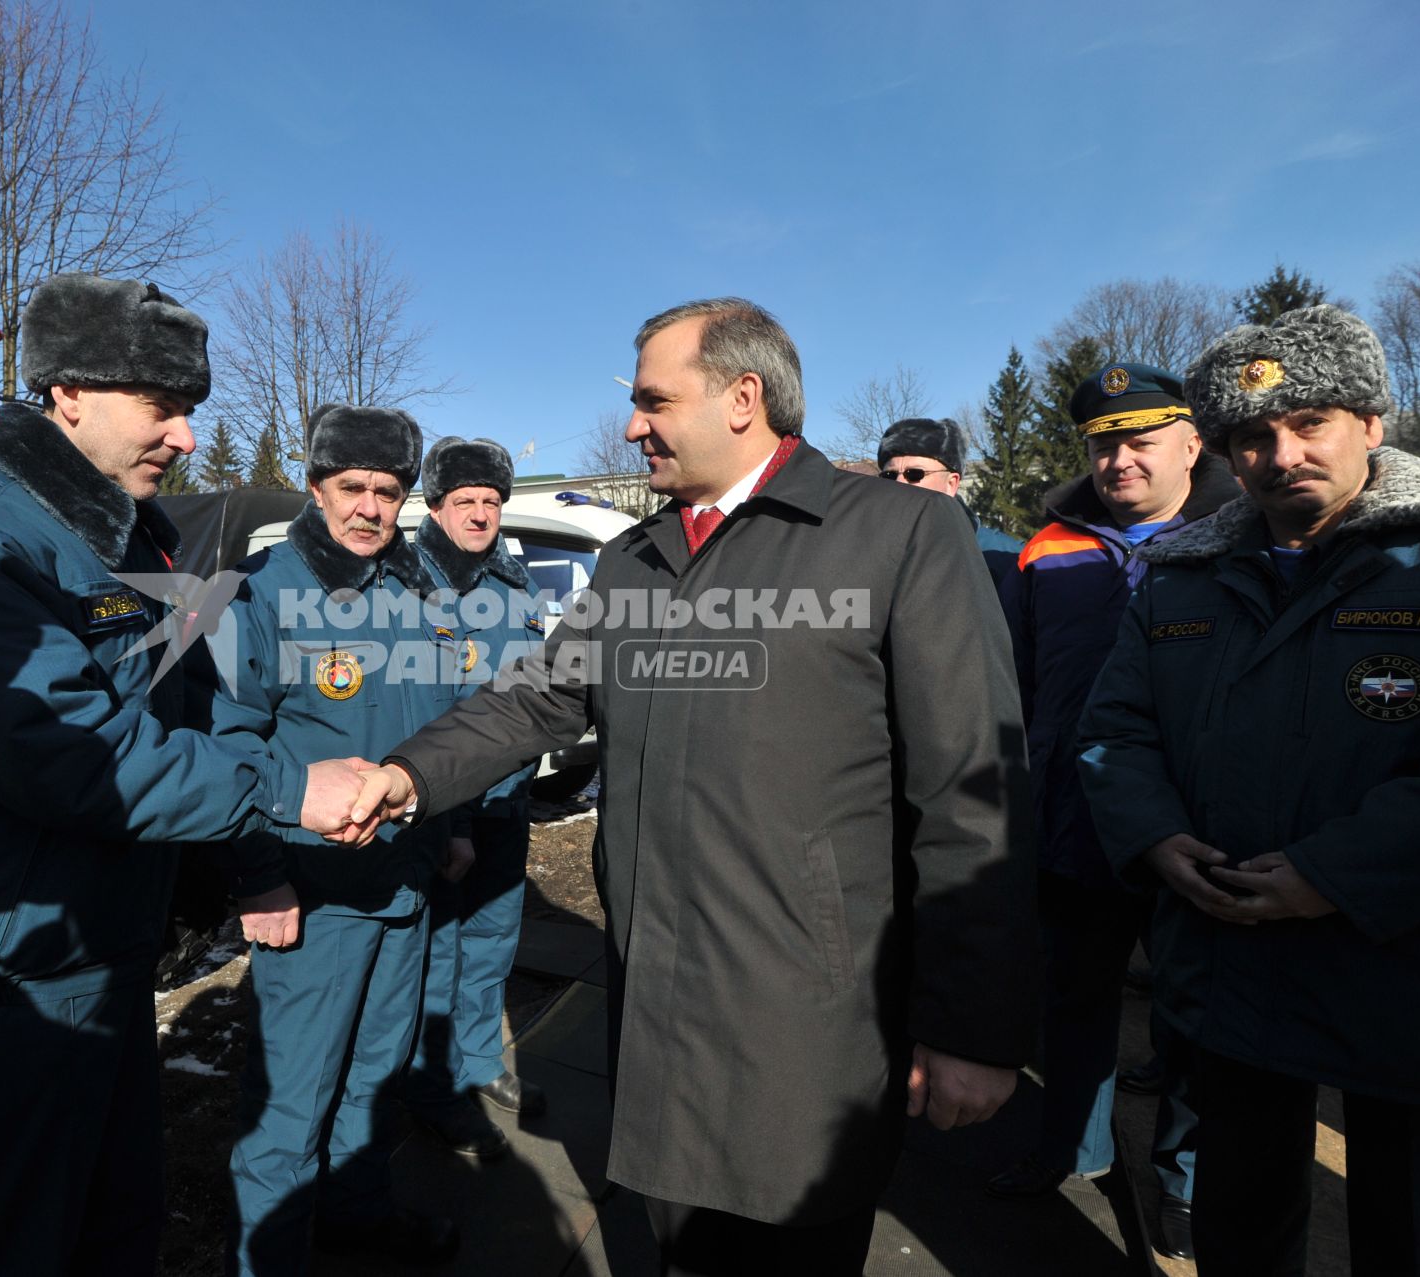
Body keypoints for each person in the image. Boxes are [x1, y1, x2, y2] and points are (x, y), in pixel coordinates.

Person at [353, 298, 1037, 1276]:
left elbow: (973, 785)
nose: (632, 425)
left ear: (743, 397)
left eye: (652, 400)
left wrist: (974, 1023)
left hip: (807, 1024)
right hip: (658, 1008)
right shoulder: (637, 556)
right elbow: (539, 700)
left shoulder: (899, 534)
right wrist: (403, 773)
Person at [0, 274, 376, 1276]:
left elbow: (189, 710)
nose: (184, 436)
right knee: (15, 1240)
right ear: (69, 390)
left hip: (108, 947)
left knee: (112, 1226)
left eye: (190, 410)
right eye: (162, 406)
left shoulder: (134, 537)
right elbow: (68, 751)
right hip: (14, 967)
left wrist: (246, 858)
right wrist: (290, 789)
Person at [1079, 305, 1420, 1276]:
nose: (1281, 454)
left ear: (1371, 422)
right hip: (1230, 958)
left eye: (1309, 422)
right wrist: (1155, 837)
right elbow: (1116, 732)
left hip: (1409, 963)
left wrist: (1331, 873)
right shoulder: (1181, 576)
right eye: (1251, 436)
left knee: (1412, 1237)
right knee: (1241, 1227)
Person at [200, 404, 461, 1274]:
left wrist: (445, 832)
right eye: (352, 487)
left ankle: (356, 1227)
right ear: (317, 487)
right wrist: (257, 878)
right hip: (312, 895)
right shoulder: (261, 593)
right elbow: (229, 746)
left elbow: (443, 721)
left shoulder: (419, 585)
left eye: (389, 491)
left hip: (405, 886)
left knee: (375, 1085)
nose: (370, 507)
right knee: (293, 1105)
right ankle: (270, 1258)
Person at [986, 363, 1238, 1259]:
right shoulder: (1044, 548)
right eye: (1104, 443)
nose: (1119, 459)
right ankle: (1071, 1152)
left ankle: (1184, 1185)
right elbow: (1013, 686)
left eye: (1141, 440)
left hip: (1201, 830)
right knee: (1075, 1000)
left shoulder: (1236, 536)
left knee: (1190, 1019)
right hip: (1073, 821)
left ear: (1191, 443)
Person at [404, 435, 548, 1160]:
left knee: (492, 937)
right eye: (466, 500)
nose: (482, 513)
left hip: (507, 802)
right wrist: (452, 817)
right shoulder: (414, 582)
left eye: (492, 501)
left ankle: (480, 1063)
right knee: (441, 948)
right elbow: (433, 710)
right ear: (435, 505)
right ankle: (434, 1088)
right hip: (447, 807)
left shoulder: (513, 586)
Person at [877, 416, 1023, 582]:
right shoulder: (863, 550)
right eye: (889, 476)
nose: (899, 483)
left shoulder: (1006, 559)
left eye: (915, 474)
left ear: (951, 483)